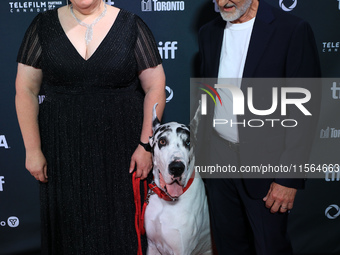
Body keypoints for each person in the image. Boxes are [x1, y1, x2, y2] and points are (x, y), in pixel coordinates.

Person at [15, 0, 166, 254]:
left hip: (121, 150)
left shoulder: (132, 26)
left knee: (120, 229)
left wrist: (145, 145)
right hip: (61, 150)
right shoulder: (43, 26)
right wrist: (32, 149)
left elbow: (155, 86)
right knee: (67, 230)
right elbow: (26, 89)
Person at [197, 0, 321, 254]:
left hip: (267, 167)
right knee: (229, 246)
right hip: (219, 163)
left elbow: (304, 113)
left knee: (270, 248)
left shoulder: (291, 30)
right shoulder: (209, 32)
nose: (222, 2)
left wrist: (288, 178)